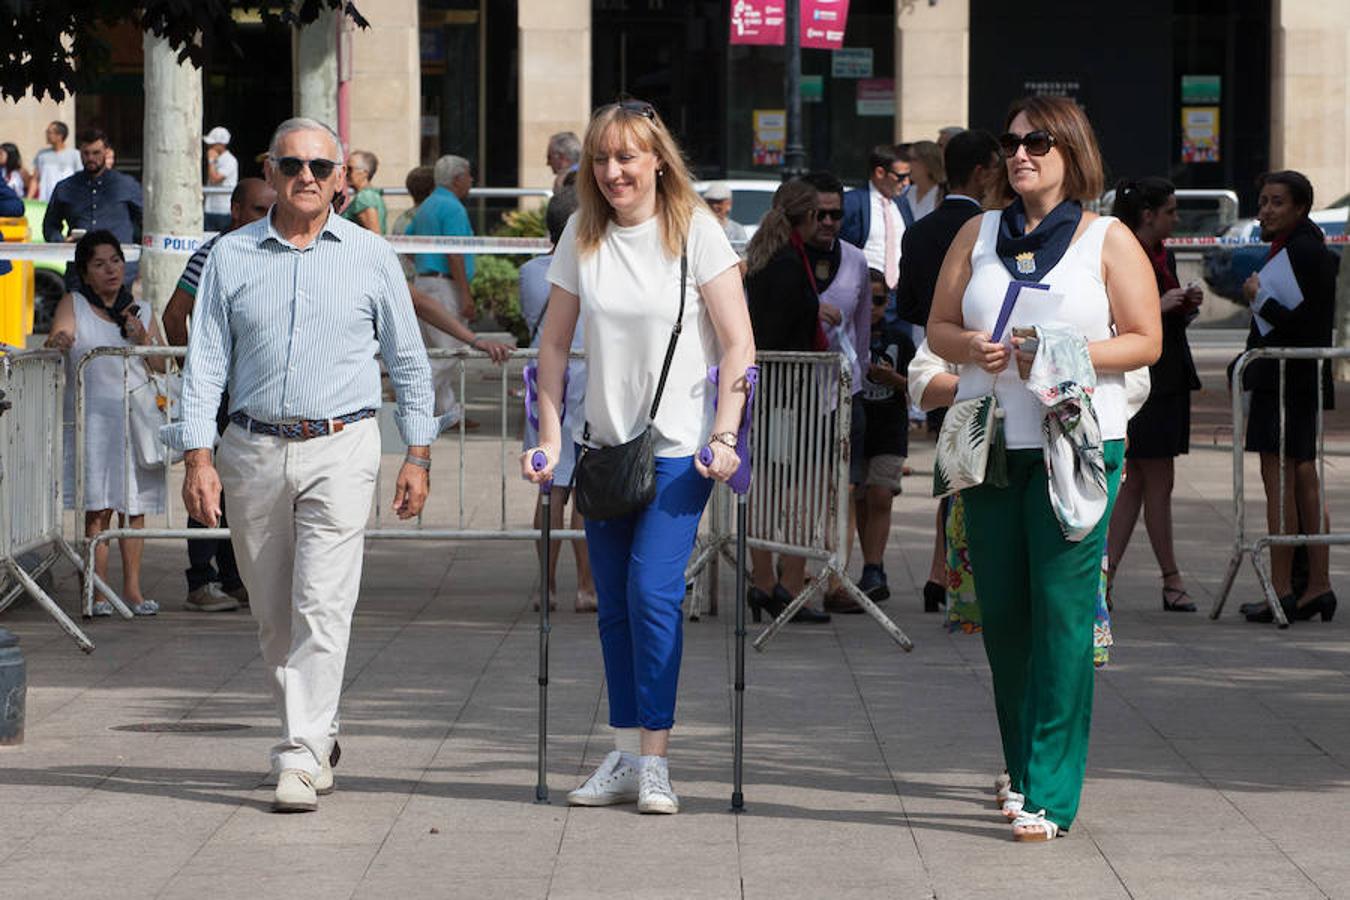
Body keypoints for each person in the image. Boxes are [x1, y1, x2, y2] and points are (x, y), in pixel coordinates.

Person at [166, 117, 437, 814]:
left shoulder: (372, 255)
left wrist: (419, 451)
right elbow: (205, 365)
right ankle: (318, 728)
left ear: (341, 177)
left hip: (343, 445)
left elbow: (408, 358)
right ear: (271, 171)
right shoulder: (230, 255)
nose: (307, 177)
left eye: (321, 165)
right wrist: (196, 454)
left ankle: (298, 753)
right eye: (293, 165)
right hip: (251, 448)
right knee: (272, 613)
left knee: (324, 601)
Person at [926, 96, 1161, 840]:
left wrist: (1059, 353)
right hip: (991, 446)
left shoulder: (1108, 239)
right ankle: (1023, 772)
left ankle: (1052, 797)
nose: (1021, 153)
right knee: (1006, 621)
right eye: (1012, 141)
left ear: (1073, 152)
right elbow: (937, 326)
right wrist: (971, 348)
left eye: (1039, 141)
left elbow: (1146, 339)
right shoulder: (977, 231)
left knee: (1061, 620)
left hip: (1079, 448)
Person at [522, 99, 753, 815]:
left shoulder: (697, 234)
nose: (614, 170)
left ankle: (655, 758)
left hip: (682, 452)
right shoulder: (582, 239)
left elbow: (739, 342)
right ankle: (624, 753)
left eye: (627, 156)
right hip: (603, 450)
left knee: (654, 598)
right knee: (614, 609)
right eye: (602, 158)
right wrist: (552, 438)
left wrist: (724, 433)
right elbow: (553, 344)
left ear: (658, 159)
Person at [894, 129, 1002, 612]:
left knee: (953, 468)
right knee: (968, 473)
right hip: (974, 359)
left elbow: (912, 304)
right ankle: (949, 570)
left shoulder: (919, 231)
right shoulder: (990, 232)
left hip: (937, 356)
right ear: (983, 172)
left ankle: (944, 571)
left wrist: (936, 329)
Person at [162, 177, 278, 613]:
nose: (265, 218)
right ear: (234, 210)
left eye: (272, 209)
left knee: (242, 486)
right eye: (256, 209)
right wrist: (195, 377)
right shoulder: (214, 253)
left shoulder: (270, 249)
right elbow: (176, 315)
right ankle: (202, 578)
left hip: (254, 391)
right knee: (208, 483)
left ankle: (234, 578)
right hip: (223, 393)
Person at [44, 230, 168, 617]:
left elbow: (164, 364)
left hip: (135, 424)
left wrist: (142, 337)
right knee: (97, 508)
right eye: (99, 264)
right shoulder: (74, 302)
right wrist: (60, 341)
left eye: (114, 260)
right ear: (85, 271)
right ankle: (95, 592)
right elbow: (60, 335)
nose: (110, 269)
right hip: (92, 423)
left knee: (135, 505)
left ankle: (132, 590)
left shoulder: (143, 310)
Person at [1238, 170, 1338, 624]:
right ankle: (1316, 585)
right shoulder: (1298, 248)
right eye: (1262, 201)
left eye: (1277, 202)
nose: (1266, 210)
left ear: (1300, 208)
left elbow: (1308, 327)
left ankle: (1284, 588)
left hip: (1285, 382)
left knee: (1281, 478)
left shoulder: (1302, 252)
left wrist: (1259, 299)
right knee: (1299, 477)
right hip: (1291, 381)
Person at [1105, 177, 1204, 612]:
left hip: (1165, 375)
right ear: (1148, 215)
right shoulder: (1124, 253)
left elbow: (1165, 311)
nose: (1175, 218)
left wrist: (1184, 304)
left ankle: (1104, 577)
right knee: (1151, 481)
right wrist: (1160, 306)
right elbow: (1117, 316)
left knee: (1139, 483)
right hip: (1147, 380)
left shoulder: (1162, 253)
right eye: (1170, 211)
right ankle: (1170, 578)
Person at [743, 178, 833, 625]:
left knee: (770, 488)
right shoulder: (787, 263)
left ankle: (766, 582)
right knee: (798, 491)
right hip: (788, 395)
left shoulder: (765, 256)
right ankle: (781, 585)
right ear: (809, 216)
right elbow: (781, 331)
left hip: (774, 392)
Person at [797, 170, 873, 613]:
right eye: (819, 214)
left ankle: (837, 574)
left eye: (836, 214)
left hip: (847, 391)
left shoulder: (856, 260)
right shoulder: (786, 257)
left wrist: (859, 376)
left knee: (844, 487)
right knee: (803, 487)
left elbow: (861, 329)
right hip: (797, 391)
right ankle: (804, 572)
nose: (828, 222)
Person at [519, 188, 596, 614]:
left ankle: (546, 586)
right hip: (583, 377)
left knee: (549, 487)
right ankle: (586, 586)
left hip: (543, 382)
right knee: (582, 489)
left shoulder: (530, 271)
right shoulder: (588, 269)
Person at [855, 268, 914, 605]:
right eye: (867, 301)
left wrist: (895, 380)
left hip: (891, 428)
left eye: (879, 300)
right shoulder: (849, 335)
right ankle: (869, 565)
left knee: (880, 495)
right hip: (860, 426)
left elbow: (917, 386)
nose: (873, 308)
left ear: (887, 301)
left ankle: (874, 565)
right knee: (861, 497)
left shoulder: (900, 340)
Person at [407, 154, 478, 426]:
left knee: (436, 350)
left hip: (425, 281)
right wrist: (465, 294)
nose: (471, 181)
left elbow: (409, 244)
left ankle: (448, 415)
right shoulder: (453, 208)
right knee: (451, 351)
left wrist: (426, 266)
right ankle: (410, 400)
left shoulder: (427, 205)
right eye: (469, 175)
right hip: (444, 285)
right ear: (458, 179)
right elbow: (455, 255)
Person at [43, 129, 143, 289]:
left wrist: (139, 255)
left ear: (106, 152)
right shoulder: (65, 187)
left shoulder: (126, 185)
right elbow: (50, 226)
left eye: (96, 153)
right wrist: (61, 242)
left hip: (119, 274)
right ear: (80, 153)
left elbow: (146, 223)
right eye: (86, 153)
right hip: (80, 272)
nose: (91, 158)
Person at [840, 145, 909, 301]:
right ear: (880, 173)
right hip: (863, 294)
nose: (906, 182)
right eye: (900, 176)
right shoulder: (853, 202)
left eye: (908, 176)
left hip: (898, 296)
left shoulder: (902, 204)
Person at [29, 120, 80, 201]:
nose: (47, 135)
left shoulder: (75, 154)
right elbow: (35, 179)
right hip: (44, 202)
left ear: (60, 135)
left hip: (67, 201)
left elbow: (79, 179)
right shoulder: (41, 154)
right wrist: (29, 198)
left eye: (49, 132)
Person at [203, 126, 239, 232]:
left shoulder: (230, 160)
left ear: (222, 145)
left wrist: (211, 161)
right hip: (209, 208)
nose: (210, 147)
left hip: (223, 211)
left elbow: (215, 179)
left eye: (213, 144)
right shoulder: (217, 159)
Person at [342, 150, 387, 233]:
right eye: (344, 168)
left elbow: (375, 236)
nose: (346, 173)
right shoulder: (372, 195)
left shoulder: (365, 197)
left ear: (365, 173)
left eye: (350, 169)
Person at [902, 140, 945, 222]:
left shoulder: (943, 194)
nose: (906, 164)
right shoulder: (904, 193)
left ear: (927, 163)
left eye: (911, 159)